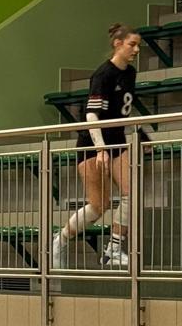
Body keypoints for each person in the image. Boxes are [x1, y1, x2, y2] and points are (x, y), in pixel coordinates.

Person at [53, 23, 142, 271]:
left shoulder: (130, 73)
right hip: (92, 143)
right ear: (118, 44)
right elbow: (92, 115)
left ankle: (113, 248)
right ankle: (60, 240)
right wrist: (100, 149)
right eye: (132, 44)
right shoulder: (103, 75)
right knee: (98, 205)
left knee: (130, 193)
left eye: (138, 45)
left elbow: (123, 111)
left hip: (117, 140)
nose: (136, 50)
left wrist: (143, 136)